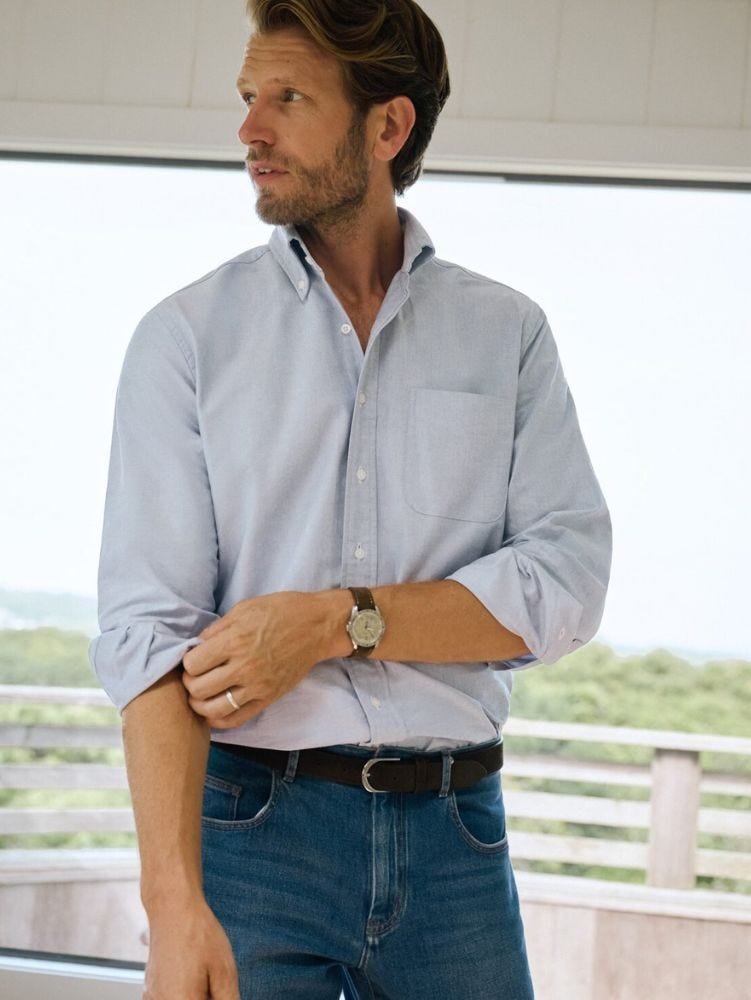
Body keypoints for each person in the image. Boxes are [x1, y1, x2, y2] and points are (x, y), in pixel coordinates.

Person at [90, 1, 611, 997]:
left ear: (386, 127)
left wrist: (339, 622)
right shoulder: (184, 339)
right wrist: (172, 904)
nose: (250, 130)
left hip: (456, 835)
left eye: (288, 98)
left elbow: (566, 580)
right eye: (249, 98)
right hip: (251, 831)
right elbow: (150, 634)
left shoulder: (506, 336)